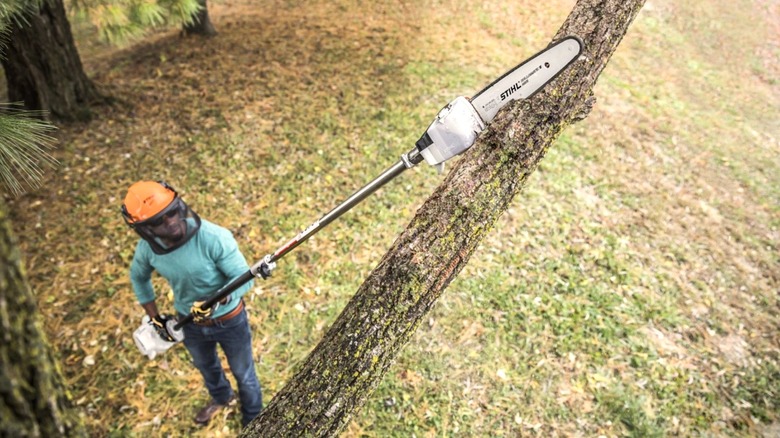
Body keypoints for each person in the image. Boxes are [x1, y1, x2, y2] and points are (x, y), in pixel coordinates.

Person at [121, 180, 263, 427]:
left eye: (172, 213)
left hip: (230, 321)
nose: (171, 222)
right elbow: (138, 277)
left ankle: (253, 418)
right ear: (144, 229)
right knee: (206, 367)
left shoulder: (214, 237)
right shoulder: (148, 250)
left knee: (244, 373)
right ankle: (222, 397)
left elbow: (244, 279)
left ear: (180, 207)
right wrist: (155, 318)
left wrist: (220, 298)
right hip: (190, 324)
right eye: (158, 221)